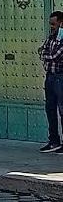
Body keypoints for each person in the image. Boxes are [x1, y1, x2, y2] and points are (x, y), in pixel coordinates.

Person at [39, 11, 63, 153]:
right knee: (50, 109)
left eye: (54, 24)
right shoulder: (52, 37)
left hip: (60, 77)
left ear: (61, 23)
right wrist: (47, 54)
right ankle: (54, 141)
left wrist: (47, 55)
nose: (51, 27)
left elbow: (55, 56)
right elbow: (42, 51)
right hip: (50, 77)